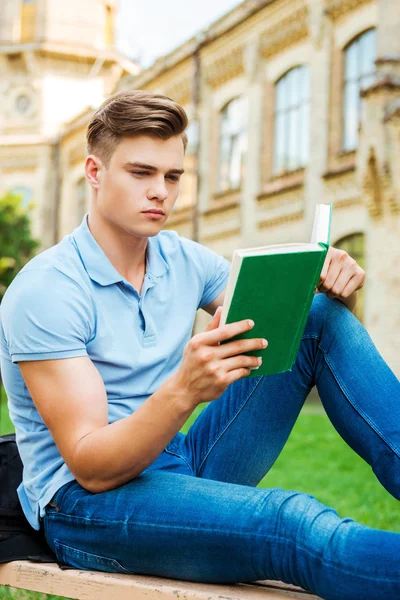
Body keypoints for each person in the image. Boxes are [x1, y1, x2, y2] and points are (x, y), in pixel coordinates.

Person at [0, 90, 399, 600]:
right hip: (87, 508)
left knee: (317, 320)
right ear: (95, 173)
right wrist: (184, 390)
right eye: (140, 173)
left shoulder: (182, 260)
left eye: (172, 177)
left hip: (179, 462)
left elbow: (277, 317)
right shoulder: (46, 291)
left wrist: (321, 277)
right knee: (291, 525)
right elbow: (91, 467)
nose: (160, 192)